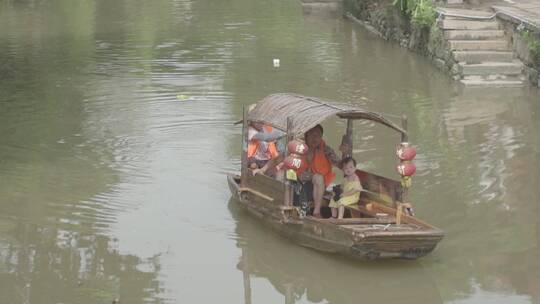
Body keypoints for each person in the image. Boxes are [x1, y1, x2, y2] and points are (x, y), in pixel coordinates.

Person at [296, 124, 347, 218]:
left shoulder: (326, 150)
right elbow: (279, 159)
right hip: (297, 188)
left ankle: (317, 212)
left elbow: (342, 166)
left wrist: (344, 153)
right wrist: (263, 169)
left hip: (316, 190)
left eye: (318, 135)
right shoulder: (298, 148)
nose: (315, 138)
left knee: (319, 177)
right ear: (306, 136)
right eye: (312, 135)